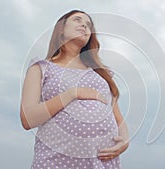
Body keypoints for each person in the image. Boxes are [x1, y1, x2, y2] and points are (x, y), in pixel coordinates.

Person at [20, 9, 129, 169]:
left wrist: (125, 140)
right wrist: (73, 93)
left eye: (88, 25)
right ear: (61, 29)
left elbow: (118, 118)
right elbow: (28, 119)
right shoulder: (42, 68)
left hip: (102, 163)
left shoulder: (102, 74)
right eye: (77, 20)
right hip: (56, 162)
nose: (84, 25)